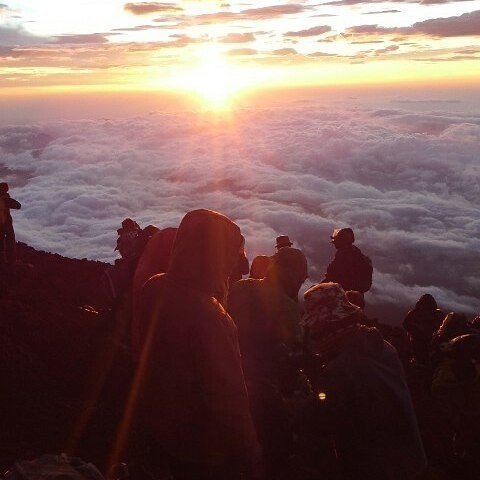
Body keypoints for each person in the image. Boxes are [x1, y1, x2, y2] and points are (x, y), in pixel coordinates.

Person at [136, 209, 261, 480]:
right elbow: (227, 399)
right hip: (201, 448)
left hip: (157, 425)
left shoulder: (154, 287)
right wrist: (251, 454)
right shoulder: (211, 318)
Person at [300, 282, 427, 479]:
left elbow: (313, 421)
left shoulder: (339, 371)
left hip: (374, 470)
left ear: (324, 327)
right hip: (410, 462)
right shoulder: (385, 348)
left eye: (315, 330)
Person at [228, 247, 308, 477]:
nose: (300, 284)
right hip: (265, 392)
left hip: (230, 378)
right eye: (301, 279)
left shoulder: (240, 287)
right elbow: (295, 351)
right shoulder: (289, 309)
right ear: (291, 275)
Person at [322, 228, 372, 294]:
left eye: (337, 241)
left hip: (343, 294)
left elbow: (332, 275)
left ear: (342, 241)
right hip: (356, 295)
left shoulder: (343, 255)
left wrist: (316, 287)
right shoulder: (356, 252)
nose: (335, 244)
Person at [403, 294, 444, 365]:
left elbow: (405, 324)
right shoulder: (438, 314)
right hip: (425, 343)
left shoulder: (414, 313)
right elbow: (406, 324)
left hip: (423, 343)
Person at [0, 182, 21, 268]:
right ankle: (11, 262)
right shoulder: (5, 200)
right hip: (6, 224)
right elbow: (18, 206)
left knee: (1, 242)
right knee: (10, 242)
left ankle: (2, 261)